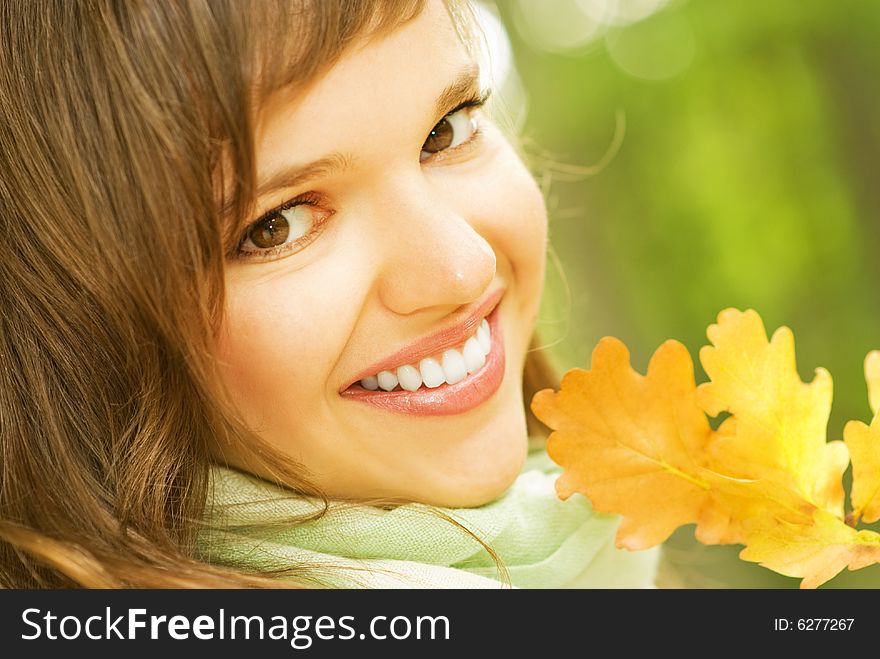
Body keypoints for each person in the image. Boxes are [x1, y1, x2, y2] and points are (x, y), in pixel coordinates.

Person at [0, 0, 659, 588]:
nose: (461, 269)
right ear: (79, 332)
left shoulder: (602, 549)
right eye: (276, 224)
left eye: (447, 130)